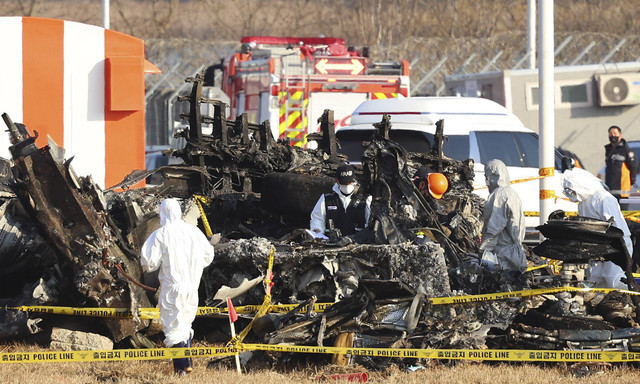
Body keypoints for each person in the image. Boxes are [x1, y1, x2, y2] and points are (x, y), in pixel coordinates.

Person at [141, 198, 215, 375]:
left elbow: (149, 263)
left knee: (173, 327)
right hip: (192, 287)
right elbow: (208, 256)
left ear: (163, 213)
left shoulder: (161, 234)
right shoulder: (194, 232)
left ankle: (181, 369)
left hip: (172, 288)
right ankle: (188, 364)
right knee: (185, 324)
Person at [562, 168, 632, 289]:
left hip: (617, 245)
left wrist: (617, 250)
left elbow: (617, 228)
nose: (571, 195)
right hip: (600, 248)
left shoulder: (603, 199)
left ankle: (631, 302)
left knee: (615, 281)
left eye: (572, 191)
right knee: (596, 281)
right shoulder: (583, 202)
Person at [479, 159, 527, 273]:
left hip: (503, 256)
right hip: (516, 253)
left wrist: (483, 250)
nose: (487, 182)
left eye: (487, 177)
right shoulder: (512, 193)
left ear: (494, 176)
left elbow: (493, 228)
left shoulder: (498, 196)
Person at [310, 164, 372, 238]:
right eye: (344, 183)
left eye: (350, 182)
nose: (347, 185)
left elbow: (370, 223)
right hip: (332, 243)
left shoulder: (365, 198)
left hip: (358, 243)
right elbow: (317, 218)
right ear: (337, 181)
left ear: (354, 180)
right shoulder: (327, 197)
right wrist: (317, 230)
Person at [602, 126, 637, 199]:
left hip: (622, 191)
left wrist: (632, 181)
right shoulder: (608, 149)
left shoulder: (625, 149)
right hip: (610, 191)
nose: (613, 135)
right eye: (611, 133)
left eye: (615, 133)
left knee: (622, 210)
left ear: (620, 135)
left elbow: (633, 166)